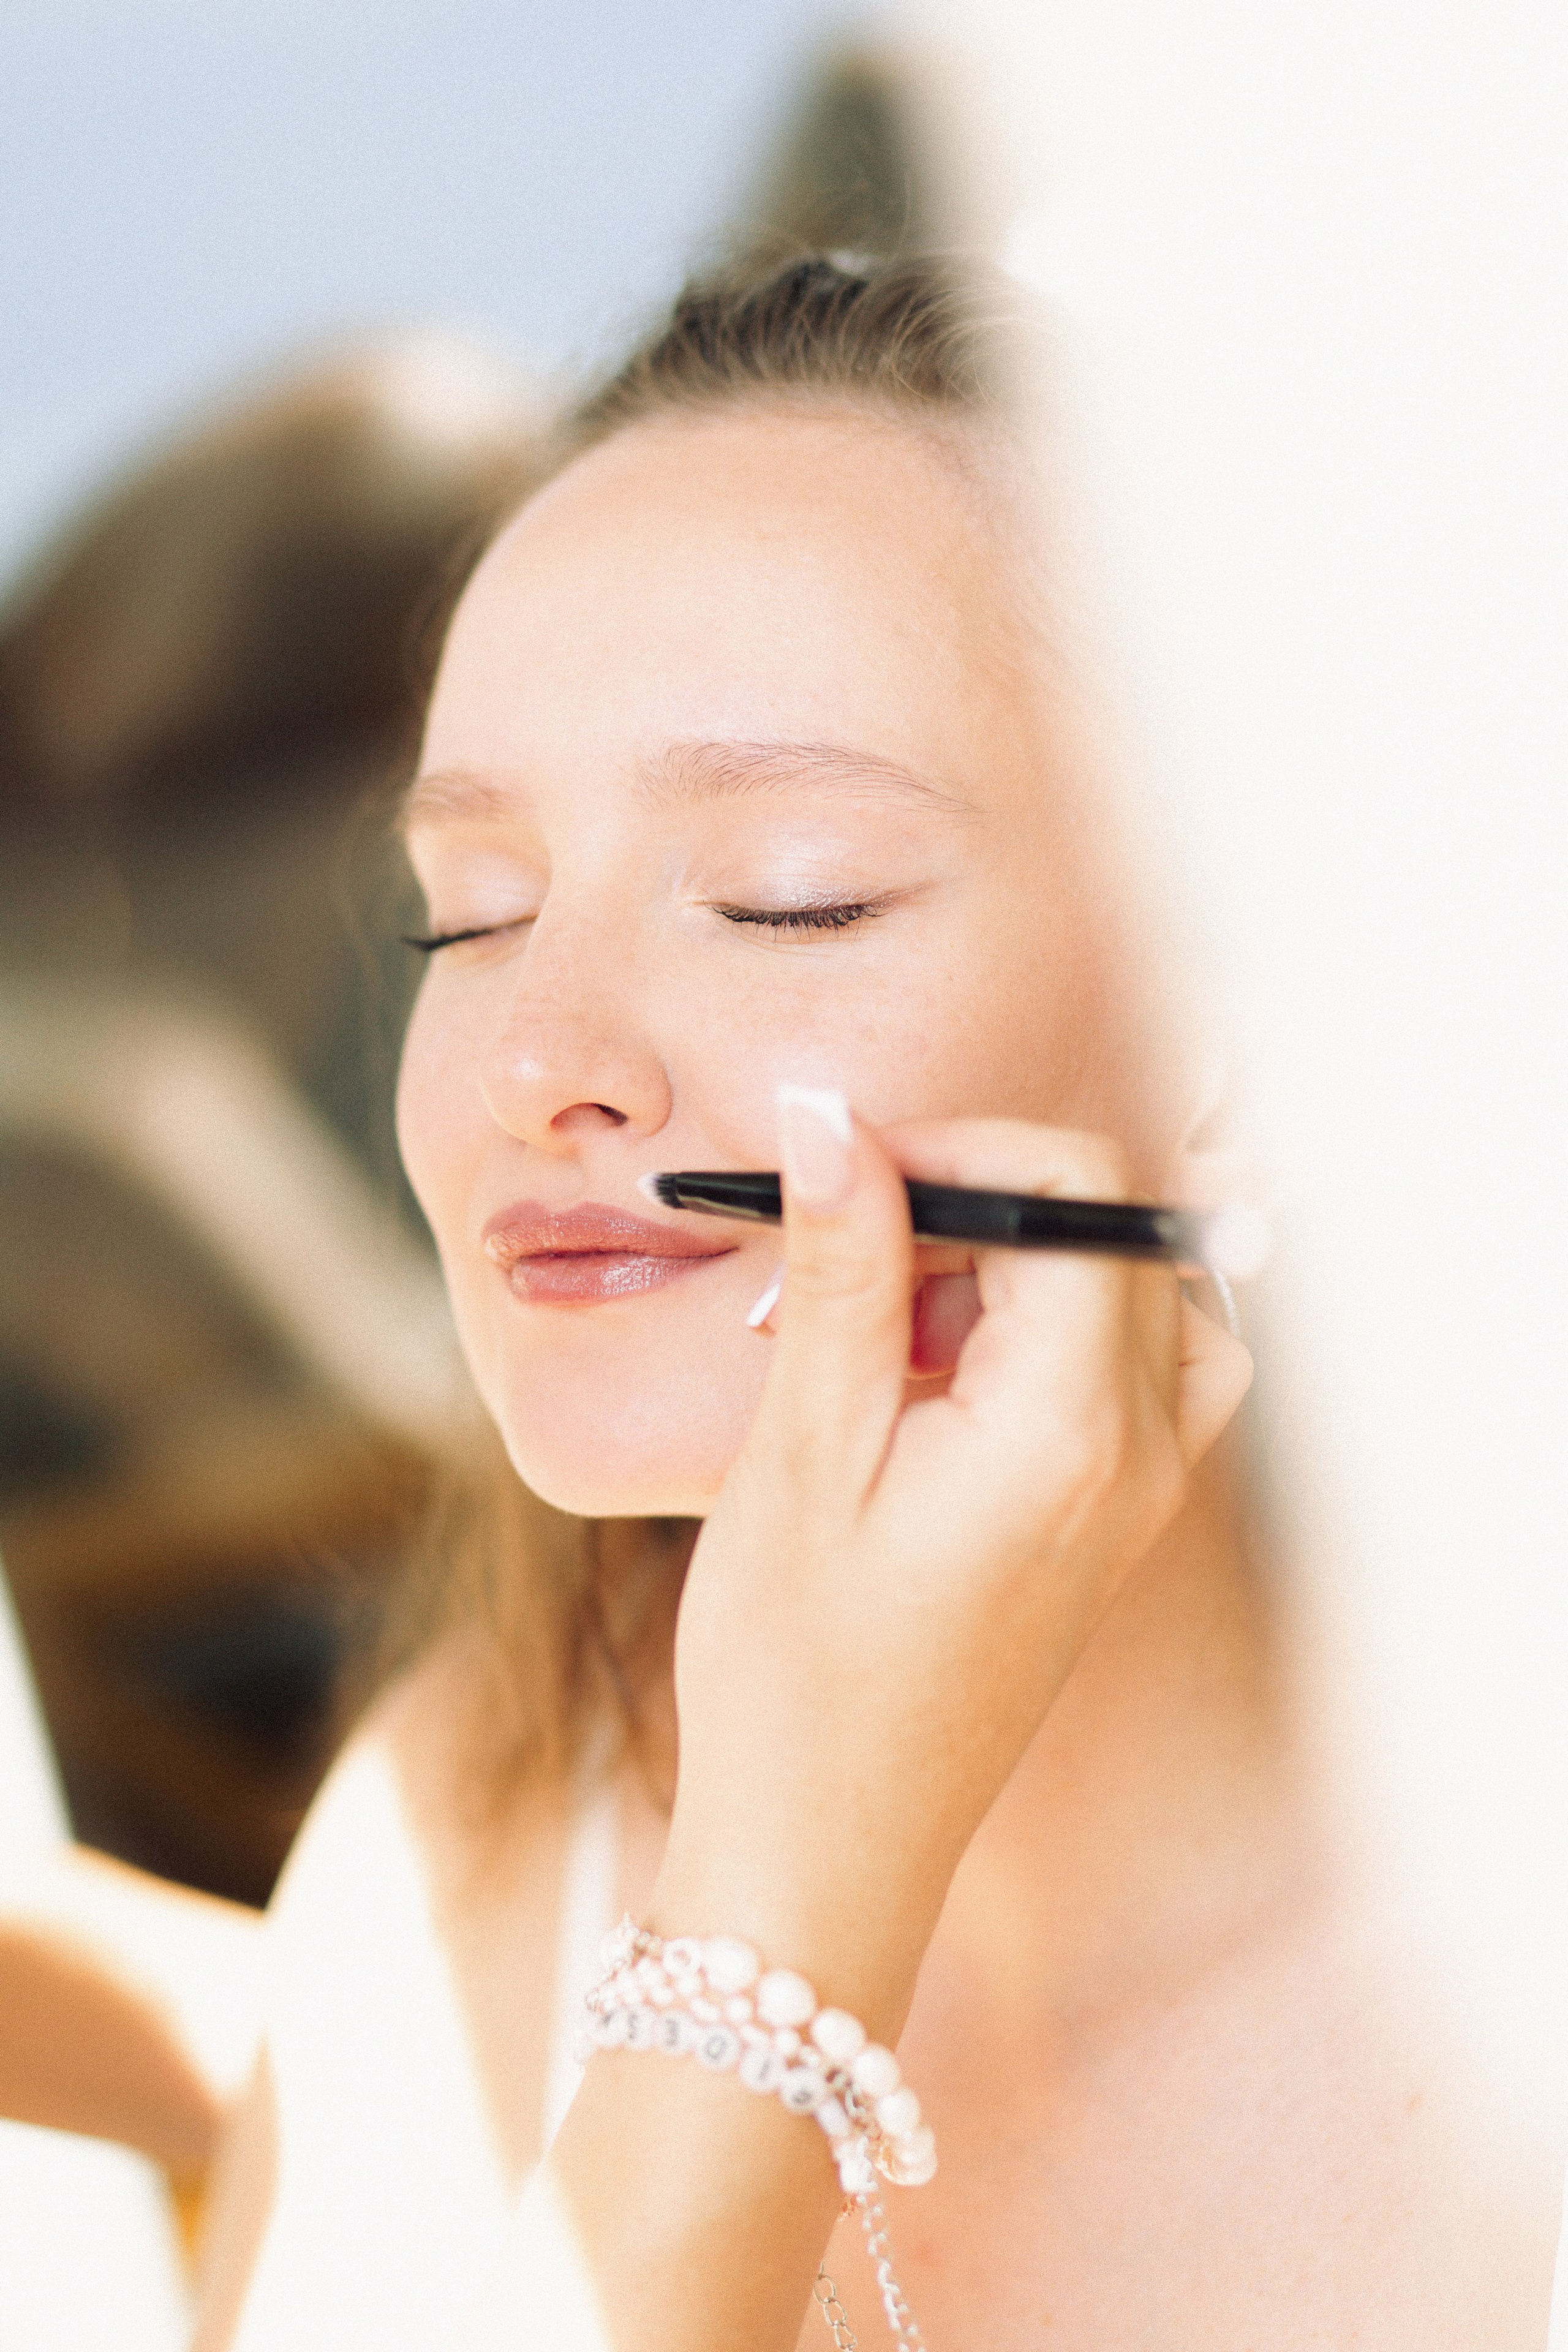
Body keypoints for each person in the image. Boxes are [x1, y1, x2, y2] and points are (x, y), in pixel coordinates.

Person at [39, 254, 1567, 2348]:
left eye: (788, 893)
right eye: (464, 918)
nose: (526, 1062)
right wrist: (774, 1906)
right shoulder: (480, 1817)